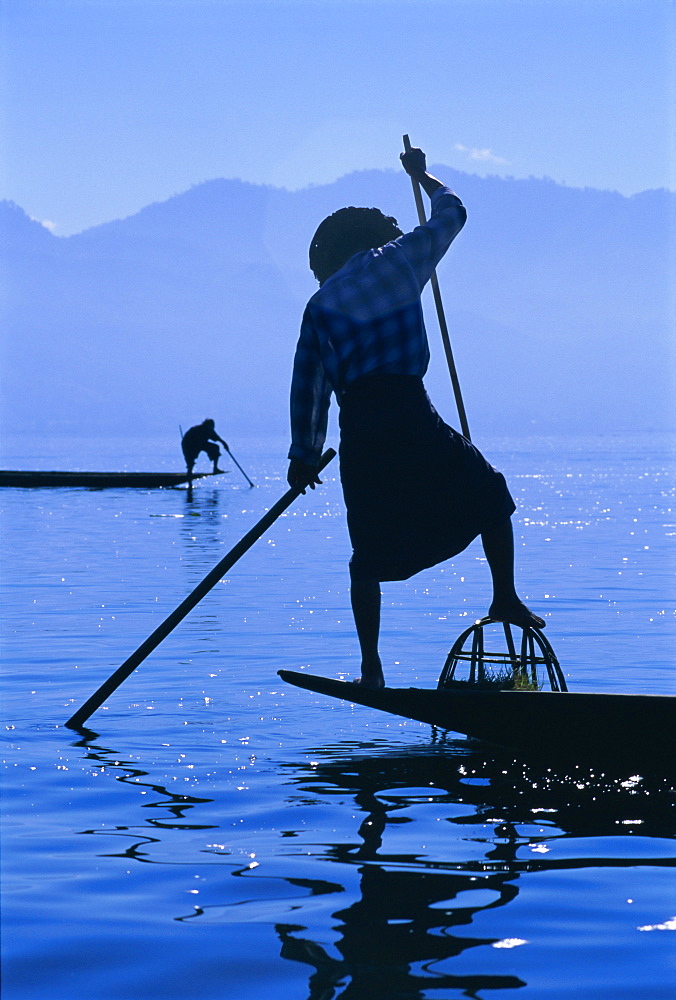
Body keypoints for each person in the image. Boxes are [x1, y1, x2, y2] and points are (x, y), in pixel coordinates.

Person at [287, 146, 545, 688]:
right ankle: (505, 597)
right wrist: (422, 176)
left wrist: (304, 457)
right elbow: (454, 211)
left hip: (362, 432)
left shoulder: (322, 306)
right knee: (489, 492)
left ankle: (371, 668)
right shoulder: (400, 260)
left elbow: (308, 388)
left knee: (367, 556)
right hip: (410, 414)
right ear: (369, 239)